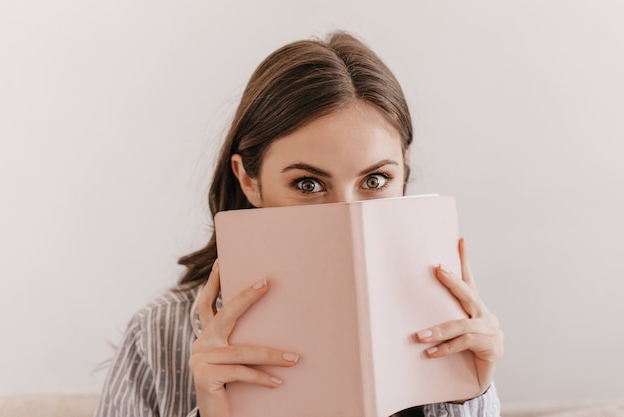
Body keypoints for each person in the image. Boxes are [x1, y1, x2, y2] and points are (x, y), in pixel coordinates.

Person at [95, 31, 504, 417]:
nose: (345, 212)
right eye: (308, 184)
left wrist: (469, 395)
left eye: (375, 180)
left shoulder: (448, 334)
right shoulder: (156, 337)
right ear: (248, 181)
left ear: (405, 172)